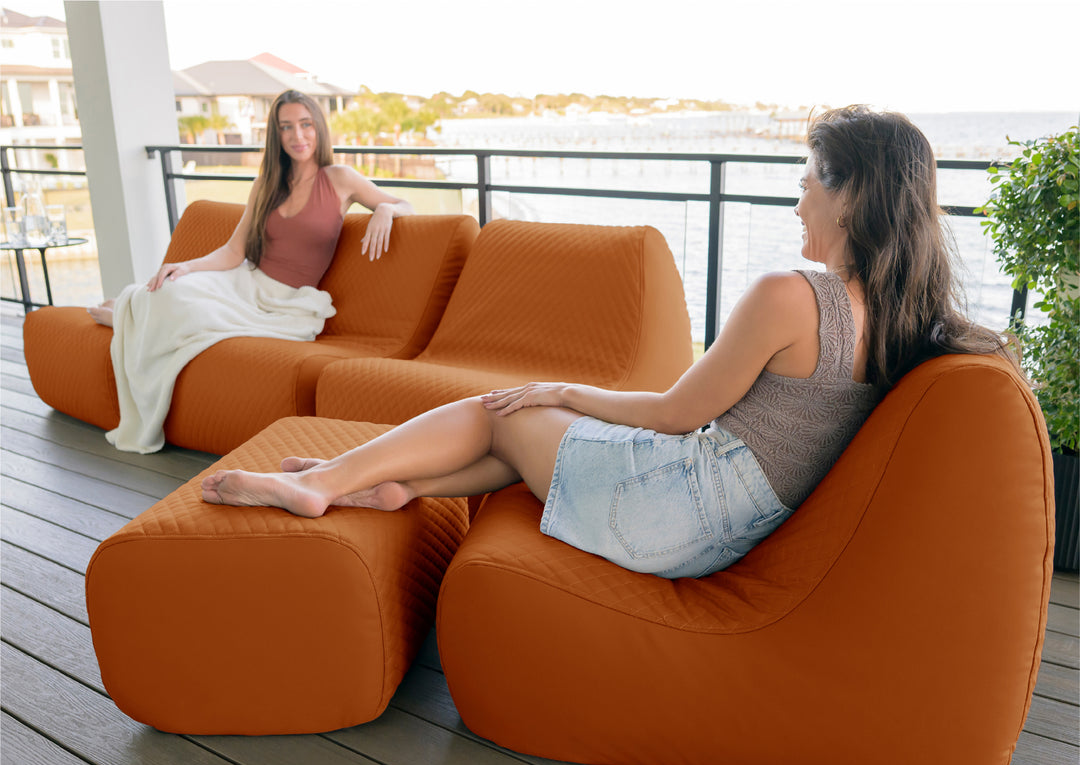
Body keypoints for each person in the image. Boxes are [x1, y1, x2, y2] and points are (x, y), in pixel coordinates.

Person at [201, 105, 1012, 580]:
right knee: (530, 431)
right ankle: (393, 487)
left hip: (678, 513)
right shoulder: (906, 320)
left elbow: (671, 413)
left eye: (806, 184)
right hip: (727, 525)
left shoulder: (791, 298)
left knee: (502, 407)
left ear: (851, 194)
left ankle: (326, 482)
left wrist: (563, 390)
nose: (797, 204)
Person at [93, 89, 412, 453]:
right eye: (286, 127)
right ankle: (131, 311)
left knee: (186, 309)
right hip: (243, 281)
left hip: (286, 303)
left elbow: (405, 204)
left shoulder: (339, 178)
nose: (298, 136)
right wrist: (187, 265)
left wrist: (385, 210)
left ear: (319, 129)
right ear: (276, 135)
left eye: (306, 125)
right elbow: (234, 250)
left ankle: (126, 316)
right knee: (171, 289)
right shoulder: (266, 184)